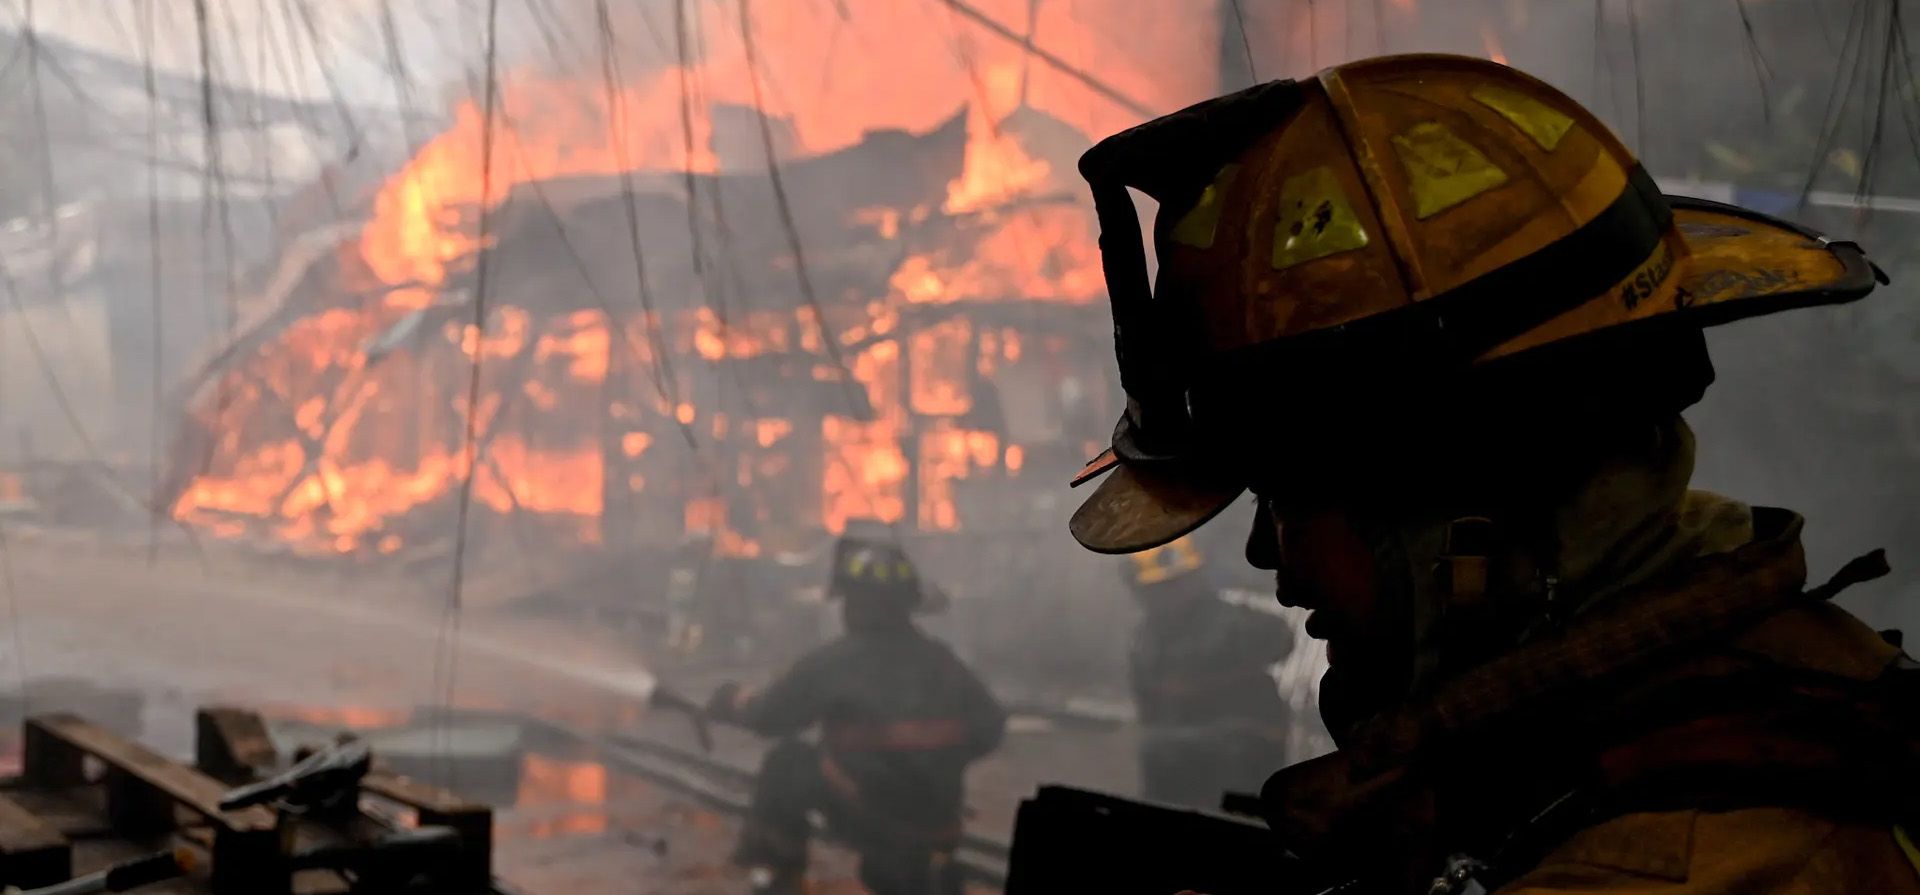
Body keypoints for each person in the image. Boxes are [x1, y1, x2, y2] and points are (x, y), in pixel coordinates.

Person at [1066, 54, 1914, 893]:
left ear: (1464, 507)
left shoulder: (1684, 849)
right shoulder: (1657, 710)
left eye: (1284, 501)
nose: (1267, 561)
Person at [708, 536, 1007, 895]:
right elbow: (991, 727)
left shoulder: (835, 662)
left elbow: (771, 716)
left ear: (852, 604)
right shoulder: (943, 660)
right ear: (907, 606)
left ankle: (778, 880)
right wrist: (936, 763)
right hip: (939, 823)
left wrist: (733, 700)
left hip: (873, 815)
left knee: (786, 764)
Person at [1124, 535, 1295, 809]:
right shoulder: (1148, 638)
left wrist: (1214, 683)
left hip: (1234, 748)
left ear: (1192, 581)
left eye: (1172, 586)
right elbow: (1149, 700)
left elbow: (1281, 640)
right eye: (1154, 590)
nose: (1161, 597)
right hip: (1174, 753)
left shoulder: (1230, 622)